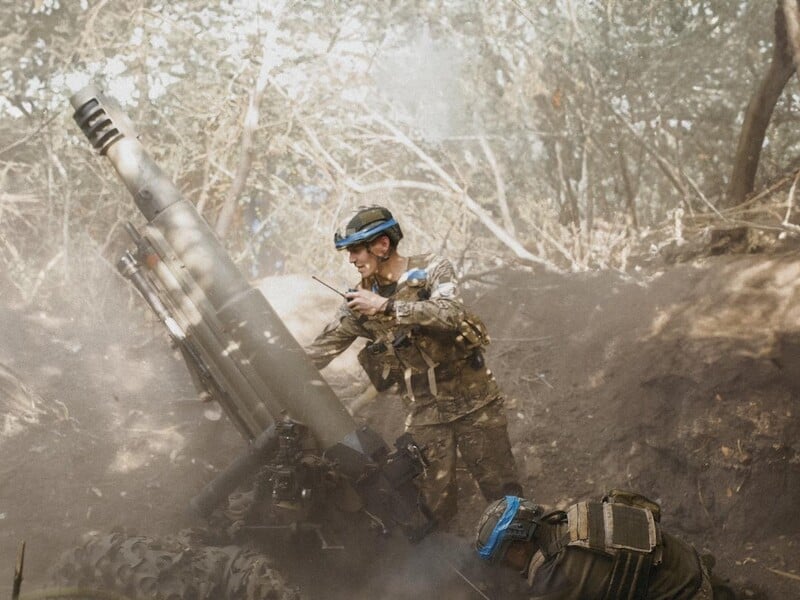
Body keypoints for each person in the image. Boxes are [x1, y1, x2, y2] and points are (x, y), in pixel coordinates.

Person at [306, 205, 522, 525]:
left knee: (504, 496)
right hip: (424, 414)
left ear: (382, 245)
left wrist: (389, 307)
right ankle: (451, 570)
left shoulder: (432, 268)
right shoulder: (358, 303)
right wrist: (248, 368)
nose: (351, 259)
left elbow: (451, 313)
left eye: (355, 250)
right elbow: (317, 354)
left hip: (475, 403)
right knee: (428, 508)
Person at [474, 490, 734, 599]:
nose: (506, 568)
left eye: (504, 559)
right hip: (689, 566)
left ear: (518, 547)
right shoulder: (569, 519)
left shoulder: (557, 575)